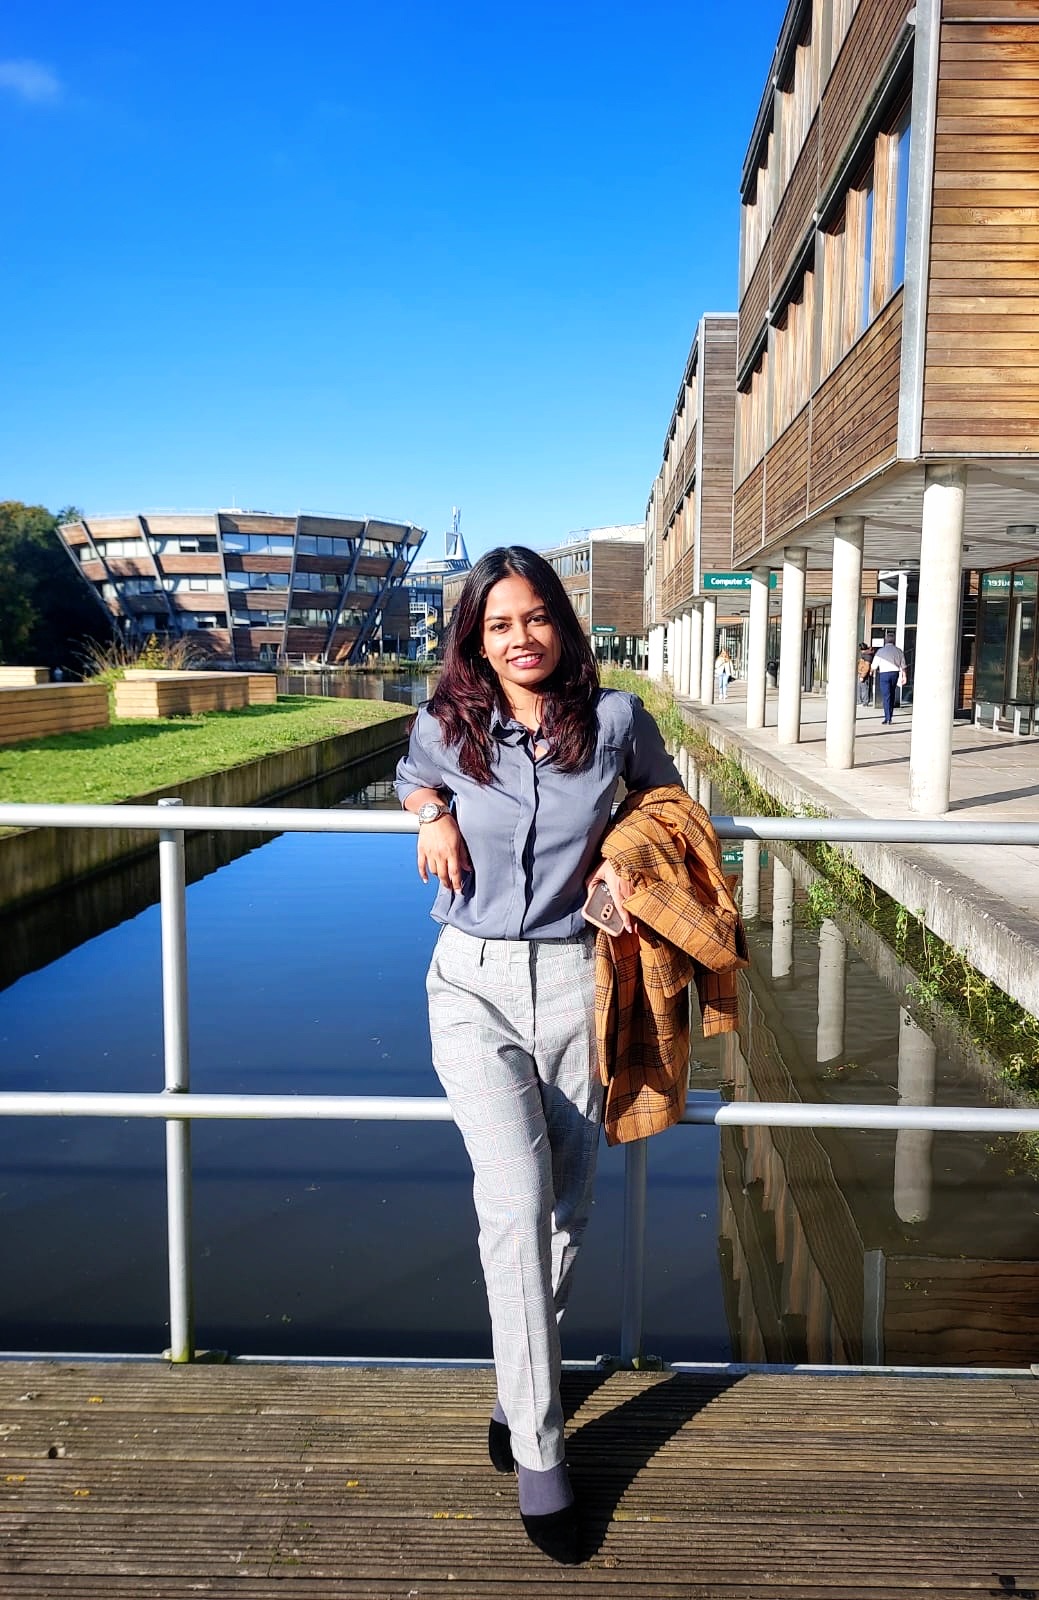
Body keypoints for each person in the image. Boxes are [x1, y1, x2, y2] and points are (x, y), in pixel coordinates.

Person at [393, 546, 684, 1564]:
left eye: (535, 618)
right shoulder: (447, 724)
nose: (519, 637)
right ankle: (542, 1456)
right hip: (468, 984)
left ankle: (517, 1389)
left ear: (562, 624)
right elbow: (408, 771)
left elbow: (665, 808)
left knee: (569, 1204)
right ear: (474, 636)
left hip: (577, 982)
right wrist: (428, 810)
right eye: (497, 623)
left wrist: (624, 862)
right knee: (513, 1203)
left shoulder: (613, 723)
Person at [870, 632, 907, 725]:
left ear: (885, 641)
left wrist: (871, 671)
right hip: (895, 673)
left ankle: (887, 717)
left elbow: (874, 665)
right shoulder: (899, 651)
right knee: (892, 693)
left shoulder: (880, 651)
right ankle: (890, 715)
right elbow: (903, 665)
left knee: (886, 695)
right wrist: (904, 676)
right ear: (894, 641)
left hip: (884, 674)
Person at [856, 642, 874, 708]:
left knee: (864, 688)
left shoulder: (867, 655)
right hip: (862, 673)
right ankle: (862, 702)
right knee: (862, 687)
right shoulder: (866, 654)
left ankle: (864, 702)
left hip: (863, 674)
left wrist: (862, 676)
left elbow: (866, 667)